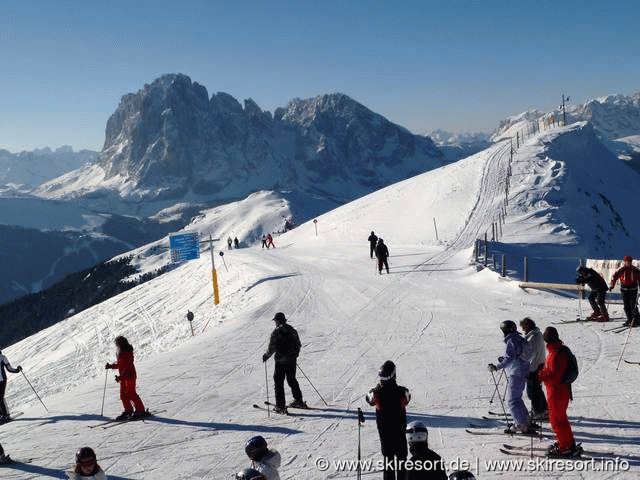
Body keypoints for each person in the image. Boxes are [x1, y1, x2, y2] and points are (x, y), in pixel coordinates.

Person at [537, 327, 582, 457]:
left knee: (556, 419)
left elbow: (554, 375)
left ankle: (566, 446)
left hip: (557, 391)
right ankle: (567, 442)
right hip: (559, 390)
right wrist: (543, 371)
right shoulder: (557, 350)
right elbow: (553, 371)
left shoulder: (557, 354)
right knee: (560, 418)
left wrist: (539, 375)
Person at [366, 360, 411, 480]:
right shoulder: (401, 391)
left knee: (388, 460)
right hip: (399, 429)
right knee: (401, 459)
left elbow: (369, 399)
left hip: (385, 432)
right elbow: (407, 398)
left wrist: (376, 389)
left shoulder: (377, 393)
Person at [488, 321, 533, 433]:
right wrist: (504, 359)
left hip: (516, 373)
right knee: (517, 398)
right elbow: (514, 356)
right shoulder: (519, 339)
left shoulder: (511, 341)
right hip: (522, 372)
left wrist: (497, 367)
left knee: (512, 400)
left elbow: (510, 358)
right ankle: (525, 420)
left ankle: (520, 424)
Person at [262, 313, 305, 414]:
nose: (275, 323)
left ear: (278, 321)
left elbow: (272, 347)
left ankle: (280, 406)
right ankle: (299, 401)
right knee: (291, 379)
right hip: (291, 360)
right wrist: (294, 355)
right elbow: (298, 344)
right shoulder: (292, 330)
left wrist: (266, 356)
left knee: (278, 382)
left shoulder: (276, 332)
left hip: (280, 361)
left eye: (275, 321)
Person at [105, 336, 146, 420]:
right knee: (123, 395)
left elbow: (127, 367)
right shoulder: (122, 352)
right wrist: (111, 366)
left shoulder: (127, 352)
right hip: (124, 376)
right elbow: (120, 365)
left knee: (131, 393)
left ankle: (140, 410)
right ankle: (128, 410)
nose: (116, 346)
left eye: (117, 344)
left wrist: (121, 377)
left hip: (129, 375)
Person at [519, 317, 548, 420]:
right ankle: (544, 409)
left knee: (533, 391)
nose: (523, 330)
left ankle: (538, 411)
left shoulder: (534, 337)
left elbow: (529, 354)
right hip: (537, 365)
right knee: (536, 389)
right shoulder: (535, 334)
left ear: (527, 325)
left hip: (535, 367)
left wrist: (519, 358)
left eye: (523, 327)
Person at [609, 255, 640, 327]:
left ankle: (636, 320)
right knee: (626, 306)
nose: (629, 263)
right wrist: (612, 286)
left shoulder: (635, 270)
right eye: (627, 262)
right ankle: (630, 319)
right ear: (625, 262)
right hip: (624, 290)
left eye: (630, 262)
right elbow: (614, 277)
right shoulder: (621, 269)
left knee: (633, 305)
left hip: (633, 289)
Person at [0, 349, 22, 423]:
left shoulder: (2, 357)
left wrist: (17, 370)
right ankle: (1, 414)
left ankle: (6, 415)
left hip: (2, 380)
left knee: (0, 397)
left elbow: (9, 368)